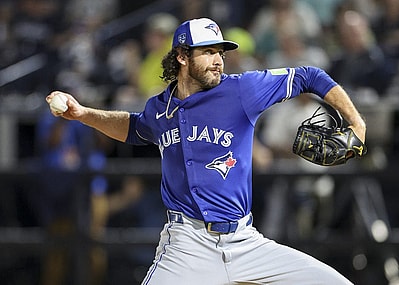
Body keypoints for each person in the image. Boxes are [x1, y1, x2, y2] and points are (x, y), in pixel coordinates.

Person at [46, 18, 366, 285]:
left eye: (221, 52)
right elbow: (133, 127)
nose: (219, 60)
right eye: (209, 51)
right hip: (187, 244)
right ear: (183, 56)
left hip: (245, 241)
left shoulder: (241, 89)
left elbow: (310, 76)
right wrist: (83, 114)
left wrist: (356, 123)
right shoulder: (160, 108)